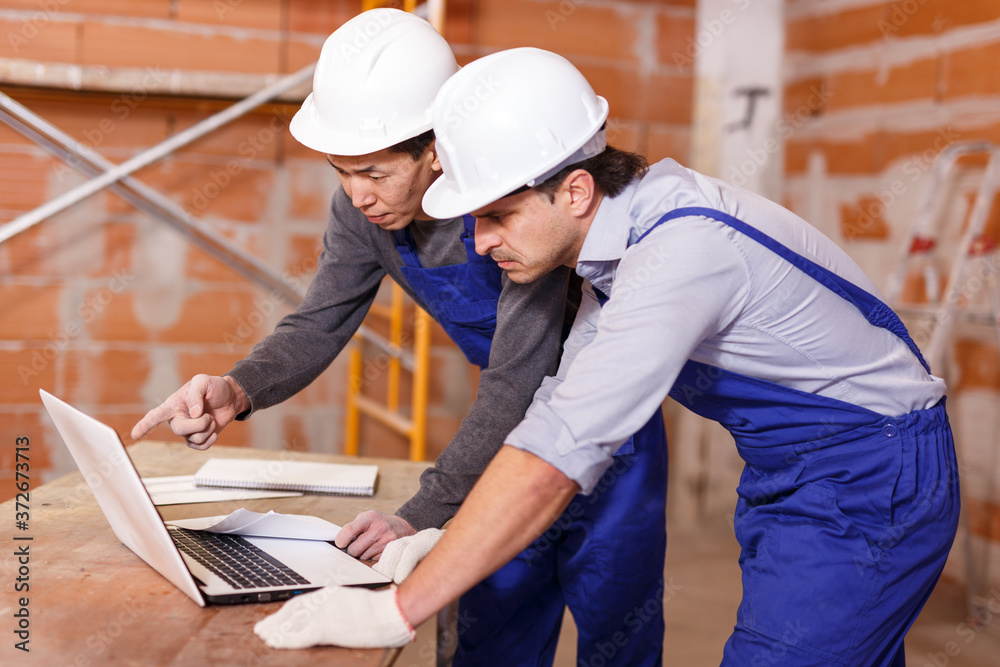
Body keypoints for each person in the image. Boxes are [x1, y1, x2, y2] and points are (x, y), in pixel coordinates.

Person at [254, 47, 961, 666]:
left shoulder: (678, 254)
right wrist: (436, 532)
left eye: (497, 216)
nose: (478, 243)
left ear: (576, 189)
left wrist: (397, 608)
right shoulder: (616, 252)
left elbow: (557, 459)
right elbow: (548, 411)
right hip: (793, 468)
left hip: (874, 473)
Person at [132, 14, 668, 667]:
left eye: (376, 172)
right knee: (492, 627)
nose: (358, 194)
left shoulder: (504, 204)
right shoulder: (364, 214)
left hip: (608, 436)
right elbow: (317, 322)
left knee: (616, 628)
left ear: (436, 149)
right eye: (342, 171)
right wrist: (237, 388)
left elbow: (516, 376)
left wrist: (421, 510)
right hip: (506, 441)